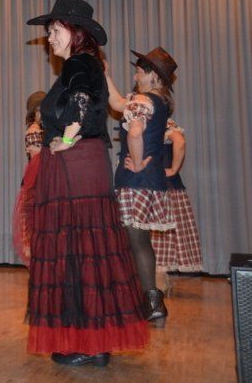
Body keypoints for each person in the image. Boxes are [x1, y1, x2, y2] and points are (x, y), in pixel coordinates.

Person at [26, 0, 148, 366]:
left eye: (55, 30)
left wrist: (66, 138)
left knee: (75, 252)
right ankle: (95, 341)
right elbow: (112, 103)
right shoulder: (92, 63)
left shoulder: (78, 64)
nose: (49, 38)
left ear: (76, 32)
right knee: (88, 252)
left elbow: (79, 103)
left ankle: (87, 343)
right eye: (49, 32)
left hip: (75, 166)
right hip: (87, 165)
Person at [106, 46, 178, 326]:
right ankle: (149, 300)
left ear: (153, 76)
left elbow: (135, 132)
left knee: (136, 242)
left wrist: (136, 163)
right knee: (140, 241)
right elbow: (118, 104)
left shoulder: (143, 100)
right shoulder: (157, 102)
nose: (135, 75)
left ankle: (151, 302)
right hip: (153, 182)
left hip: (135, 181)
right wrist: (106, 76)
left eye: (139, 71)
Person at [151, 118, 204, 290]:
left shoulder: (162, 122)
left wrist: (173, 169)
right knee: (157, 235)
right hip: (153, 184)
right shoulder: (146, 120)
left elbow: (179, 141)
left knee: (158, 235)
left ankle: (158, 281)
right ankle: (159, 280)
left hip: (161, 187)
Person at [11, 91, 46, 266]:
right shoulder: (34, 131)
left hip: (39, 182)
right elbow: (36, 161)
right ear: (37, 110)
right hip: (36, 183)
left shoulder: (41, 130)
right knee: (34, 228)